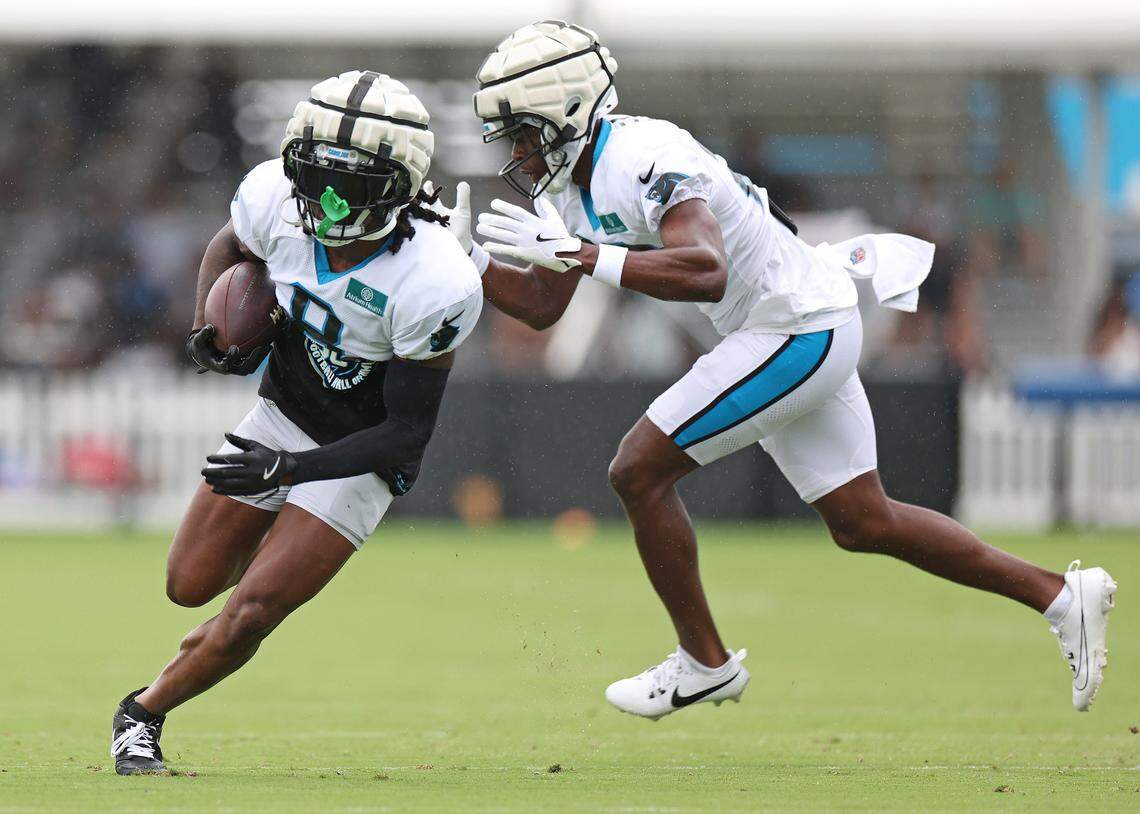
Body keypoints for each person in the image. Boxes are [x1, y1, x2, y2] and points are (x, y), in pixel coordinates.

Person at [431, 20, 1117, 721]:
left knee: (637, 469)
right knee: (862, 521)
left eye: (524, 131)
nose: (515, 151)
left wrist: (583, 255)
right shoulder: (574, 181)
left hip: (793, 326)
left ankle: (704, 662)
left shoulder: (645, 155)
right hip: (792, 321)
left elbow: (705, 268)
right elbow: (544, 308)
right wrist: (473, 262)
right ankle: (1062, 597)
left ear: (568, 114)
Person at [109, 71, 482, 774]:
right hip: (282, 415)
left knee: (250, 614)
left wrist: (293, 474)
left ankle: (143, 713)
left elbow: (407, 435)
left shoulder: (436, 280)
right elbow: (231, 246)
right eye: (316, 175)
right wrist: (208, 329)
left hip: (360, 454)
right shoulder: (274, 201)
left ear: (401, 187)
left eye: (356, 183)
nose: (331, 200)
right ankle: (255, 587)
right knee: (188, 584)